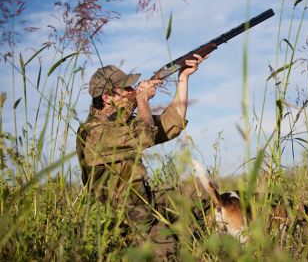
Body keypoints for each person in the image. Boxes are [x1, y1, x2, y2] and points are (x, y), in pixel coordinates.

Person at [76, 54, 213, 260]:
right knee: (166, 253)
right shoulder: (94, 133)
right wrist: (141, 100)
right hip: (121, 215)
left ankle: (188, 239)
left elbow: (172, 123)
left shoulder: (122, 123)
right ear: (106, 98)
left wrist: (183, 78)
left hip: (144, 200)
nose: (133, 90)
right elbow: (144, 136)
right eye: (127, 89)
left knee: (206, 188)